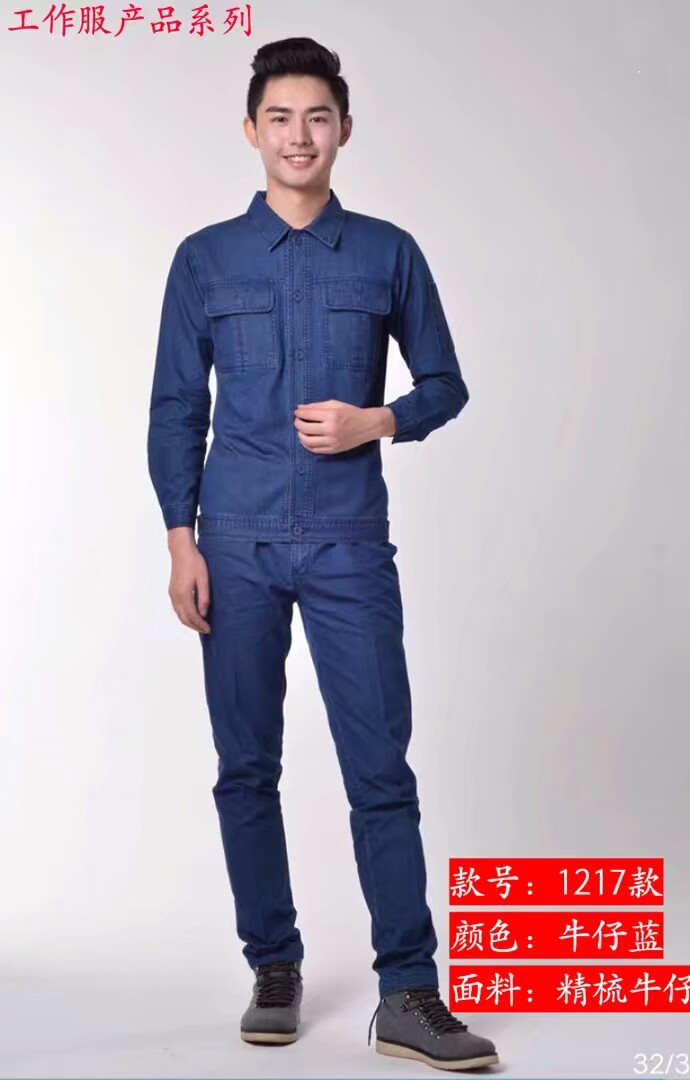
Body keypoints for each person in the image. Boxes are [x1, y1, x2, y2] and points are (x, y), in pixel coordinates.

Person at [147, 35, 499, 1074]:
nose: (299, 136)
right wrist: (180, 542)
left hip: (349, 544)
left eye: (317, 117)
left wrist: (376, 421)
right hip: (235, 544)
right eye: (281, 118)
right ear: (251, 131)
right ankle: (274, 965)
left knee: (379, 768)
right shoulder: (206, 259)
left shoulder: (388, 253)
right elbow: (176, 409)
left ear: (345, 129)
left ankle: (409, 994)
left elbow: (445, 384)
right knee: (246, 767)